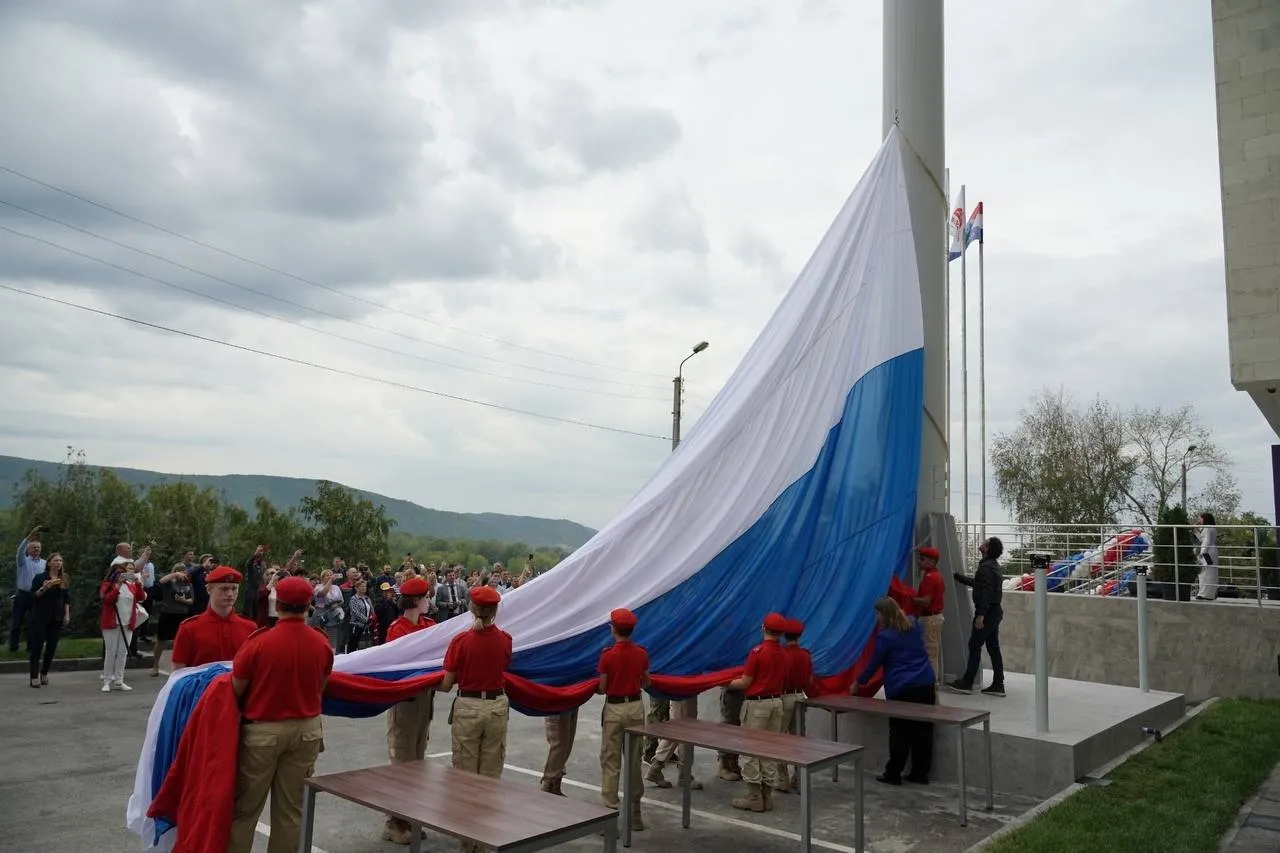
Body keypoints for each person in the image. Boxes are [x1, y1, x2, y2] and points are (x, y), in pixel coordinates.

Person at [227, 575, 334, 853]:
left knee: (244, 811)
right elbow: (320, 687)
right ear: (309, 605)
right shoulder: (322, 644)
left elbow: (234, 691)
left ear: (278, 605)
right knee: (290, 813)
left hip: (263, 733)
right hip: (306, 730)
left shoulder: (258, 643)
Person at [440, 585, 511, 853]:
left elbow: (447, 683)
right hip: (495, 707)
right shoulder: (505, 640)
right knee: (490, 775)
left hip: (468, 706)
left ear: (471, 608)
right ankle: (483, 840)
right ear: (494, 611)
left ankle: (467, 840)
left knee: (465, 775)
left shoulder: (461, 641)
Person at [854, 597, 937, 785]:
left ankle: (893, 772)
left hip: (903, 688)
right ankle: (920, 773)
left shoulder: (885, 637)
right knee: (924, 730)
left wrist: (858, 683)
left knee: (900, 731)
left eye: (877, 614)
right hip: (925, 684)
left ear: (884, 614)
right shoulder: (915, 625)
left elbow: (874, 663)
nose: (876, 618)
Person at [380, 576, 436, 845]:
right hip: (405, 702)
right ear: (415, 601)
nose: (429, 602)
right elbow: (398, 663)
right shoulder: (397, 629)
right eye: (426, 598)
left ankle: (409, 817)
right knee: (401, 761)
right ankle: (394, 822)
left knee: (416, 761)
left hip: (425, 700)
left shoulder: (429, 625)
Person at [725, 612, 791, 813]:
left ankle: (754, 796)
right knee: (769, 750)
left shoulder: (757, 652)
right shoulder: (784, 653)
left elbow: (745, 682)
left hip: (757, 705)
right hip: (776, 703)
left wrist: (725, 682)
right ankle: (767, 796)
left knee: (751, 750)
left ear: (763, 628)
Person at [597, 608, 649, 831]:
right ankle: (635, 813)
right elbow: (646, 682)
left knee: (611, 761)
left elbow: (602, 687)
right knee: (634, 759)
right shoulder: (641, 654)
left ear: (613, 629)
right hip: (635, 707)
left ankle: (610, 817)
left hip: (615, 708)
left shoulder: (607, 655)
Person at [947, 536, 1006, 697]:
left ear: (987, 548)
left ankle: (967, 682)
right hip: (994, 611)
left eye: (985, 543)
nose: (981, 544)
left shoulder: (986, 567)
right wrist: (958, 577)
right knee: (993, 648)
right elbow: (979, 584)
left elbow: (985, 591)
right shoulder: (992, 566)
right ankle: (998, 684)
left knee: (974, 645)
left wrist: (980, 615)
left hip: (988, 612)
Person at [170, 566, 258, 670]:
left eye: (234, 588)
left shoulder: (250, 627)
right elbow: (178, 671)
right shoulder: (189, 628)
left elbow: (255, 667)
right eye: (224, 588)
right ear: (208, 589)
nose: (230, 594)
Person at [776, 618, 816, 793]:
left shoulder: (782, 654)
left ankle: (782, 778)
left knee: (780, 739)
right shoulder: (806, 654)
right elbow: (810, 679)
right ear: (800, 635)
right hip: (800, 696)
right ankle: (799, 779)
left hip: (784, 696)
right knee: (798, 740)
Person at [100, 560, 147, 692]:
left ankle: (119, 680)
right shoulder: (108, 585)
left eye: (125, 573)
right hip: (111, 622)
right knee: (111, 652)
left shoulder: (131, 586)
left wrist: (138, 583)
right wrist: (118, 585)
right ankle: (107, 680)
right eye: (120, 573)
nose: (124, 575)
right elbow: (108, 599)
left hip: (127, 622)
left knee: (123, 652)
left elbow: (141, 597)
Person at [28, 552, 70, 687]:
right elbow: (34, 595)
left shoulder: (63, 578)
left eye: (61, 561)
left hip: (56, 617)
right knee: (37, 646)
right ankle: (33, 676)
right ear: (49, 563)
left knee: (51, 647)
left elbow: (66, 599)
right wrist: (44, 588)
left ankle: (44, 672)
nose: (59, 563)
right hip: (40, 616)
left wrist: (66, 614)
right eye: (56, 560)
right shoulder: (40, 577)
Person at [151, 564, 194, 676]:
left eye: (184, 571)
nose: (182, 573)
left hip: (182, 614)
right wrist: (174, 575)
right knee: (161, 641)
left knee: (178, 642)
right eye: (179, 571)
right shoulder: (169, 583)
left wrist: (183, 600)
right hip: (168, 613)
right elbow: (161, 581)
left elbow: (191, 601)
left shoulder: (188, 583)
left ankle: (176, 668)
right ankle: (155, 665)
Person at [912, 546, 946, 682]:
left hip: (930, 619)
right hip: (934, 618)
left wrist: (909, 597)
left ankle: (930, 685)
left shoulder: (930, 578)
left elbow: (926, 601)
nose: (919, 562)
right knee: (932, 654)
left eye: (922, 559)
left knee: (930, 655)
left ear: (932, 562)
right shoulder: (937, 576)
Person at [12, 525, 47, 653]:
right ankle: (13, 647)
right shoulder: (23, 561)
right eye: (34, 547)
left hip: (36, 595)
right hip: (22, 594)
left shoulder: (44, 563)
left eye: (38, 547)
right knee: (17, 621)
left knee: (34, 622)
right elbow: (19, 550)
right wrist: (30, 536)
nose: (36, 549)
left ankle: (31, 647)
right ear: (29, 549)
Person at [540, 709, 578, 796]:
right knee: (559, 742)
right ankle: (549, 783)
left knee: (566, 744)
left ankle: (555, 783)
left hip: (572, 702)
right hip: (557, 703)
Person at [1195, 512, 1220, 601]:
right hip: (1209, 551)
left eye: (1200, 518)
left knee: (1206, 572)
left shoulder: (1207, 528)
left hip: (1207, 552)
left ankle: (1205, 593)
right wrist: (1196, 531)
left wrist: (1202, 552)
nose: (1199, 520)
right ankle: (1206, 593)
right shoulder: (1211, 528)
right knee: (1206, 572)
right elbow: (1203, 539)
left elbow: (1206, 541)